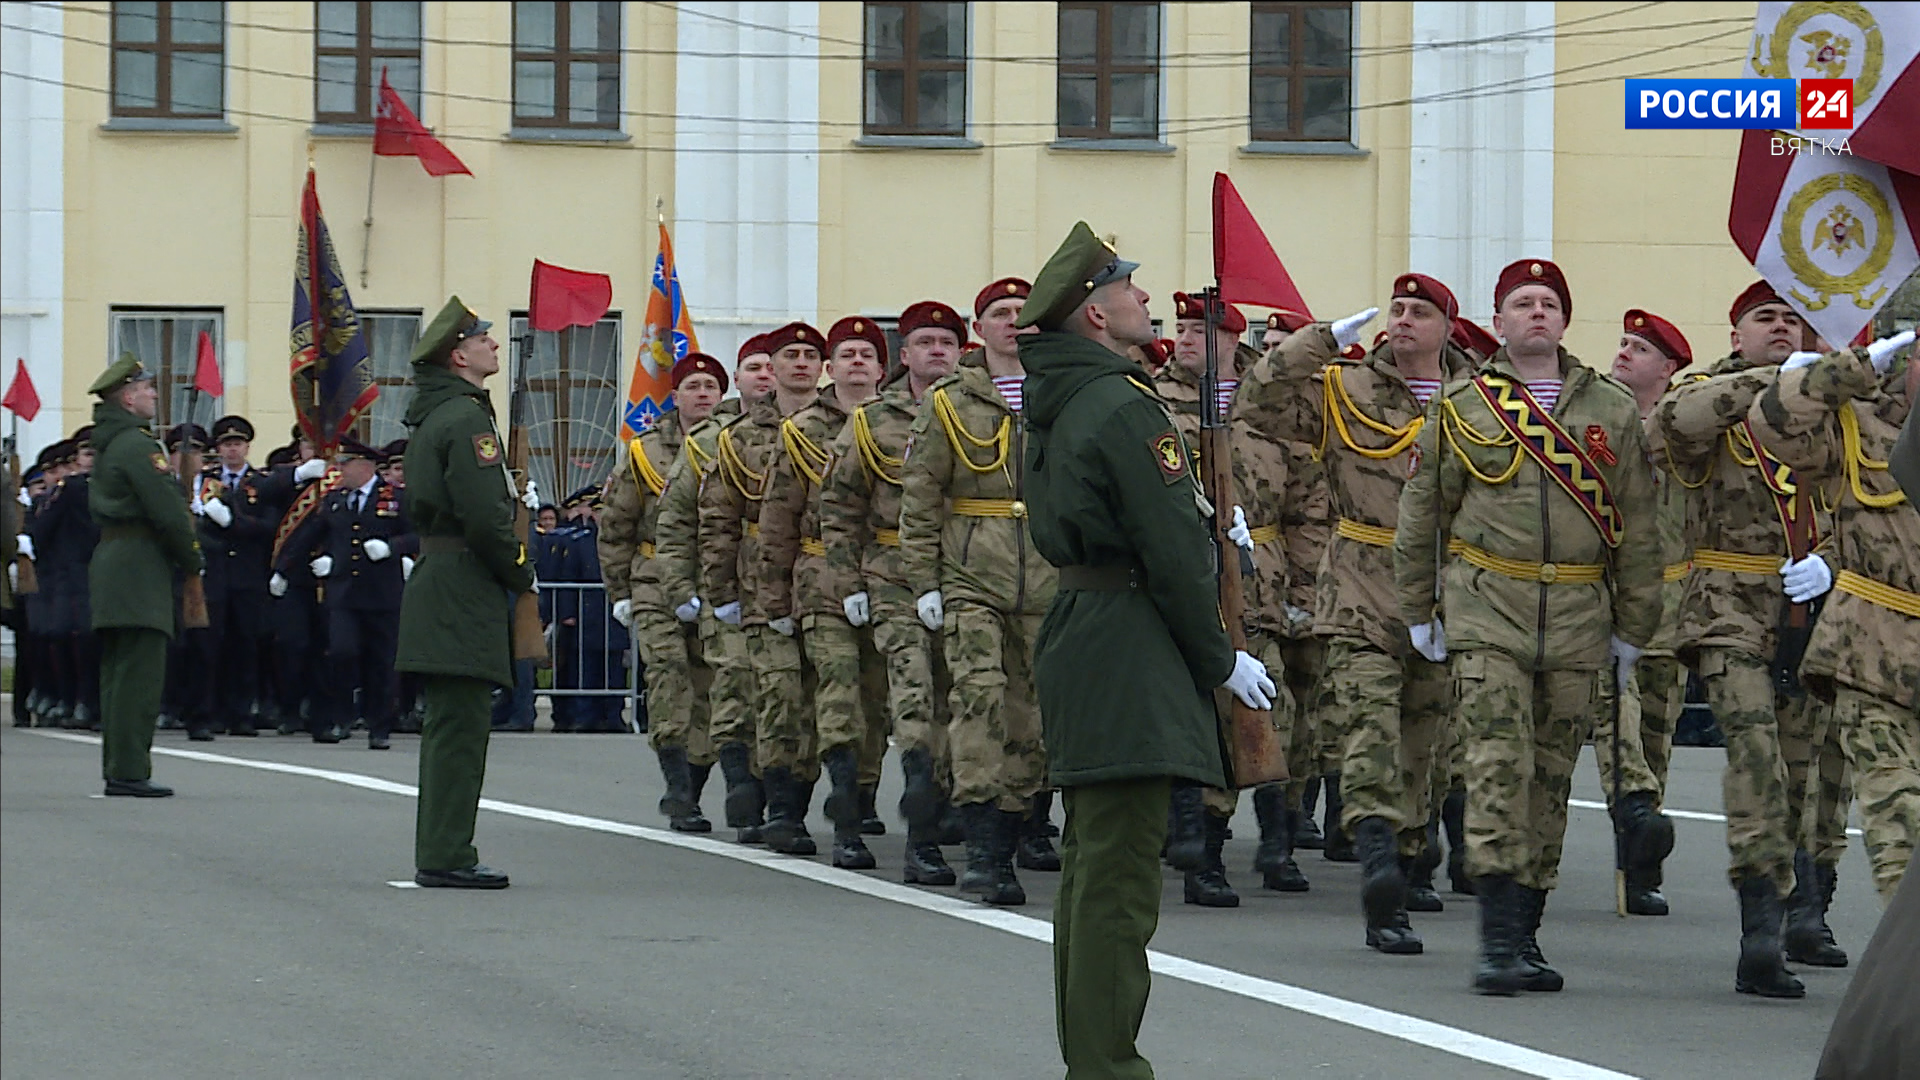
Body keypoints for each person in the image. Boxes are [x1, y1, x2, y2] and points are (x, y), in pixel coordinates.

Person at [1019, 221, 1275, 1078]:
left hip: (1089, 633)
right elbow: (1167, 552)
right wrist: (1218, 659)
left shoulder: (1066, 398)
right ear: (1094, 316)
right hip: (1131, 643)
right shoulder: (1123, 406)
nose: (1141, 298)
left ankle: (1092, 1059)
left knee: (1094, 879)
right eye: (1127, 288)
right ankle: (1107, 1069)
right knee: (1119, 891)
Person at [1396, 258, 1661, 995]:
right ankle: (1497, 940)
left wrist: (1635, 626)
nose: (1537, 313)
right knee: (1494, 768)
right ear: (1501, 320)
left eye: (1549, 302)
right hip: (1489, 608)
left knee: (1549, 780)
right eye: (1522, 303)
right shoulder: (1463, 405)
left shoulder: (1608, 407)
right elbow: (1424, 515)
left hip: (1580, 617)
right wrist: (1419, 609)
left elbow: (1640, 525)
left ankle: (1528, 932)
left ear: (1565, 321)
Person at [1239, 273, 1480, 952]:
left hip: (1445, 589)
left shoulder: (1479, 400)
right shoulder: (1345, 390)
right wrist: (1319, 343)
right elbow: (1255, 403)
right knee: (1367, 731)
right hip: (1360, 587)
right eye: (1397, 309)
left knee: (1425, 747)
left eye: (1420, 312)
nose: (1403, 320)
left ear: (1447, 327)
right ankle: (1378, 864)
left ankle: (1404, 871)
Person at [1647, 280, 1850, 995]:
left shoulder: (1836, 410)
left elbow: (1871, 498)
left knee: (1808, 774)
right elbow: (1673, 421)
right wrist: (1781, 379)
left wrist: (1834, 559)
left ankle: (1803, 911)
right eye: (1766, 319)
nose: (1783, 328)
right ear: (1737, 334)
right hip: (1728, 608)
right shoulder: (1714, 391)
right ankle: (1758, 933)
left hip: (1814, 613)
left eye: (1795, 320)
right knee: (1758, 757)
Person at [1749, 329, 1917, 904]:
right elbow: (1773, 421)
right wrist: (1844, 370)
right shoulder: (1860, 426)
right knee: (1901, 829)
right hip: (1876, 659)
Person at [901, 293, 1058, 906]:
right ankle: (984, 850)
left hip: (1047, 574)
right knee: (978, 701)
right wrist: (925, 583)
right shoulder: (950, 402)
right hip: (971, 577)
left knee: (1034, 713)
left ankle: (1017, 826)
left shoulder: (1059, 394)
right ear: (979, 329)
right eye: (1001, 314)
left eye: (1025, 313)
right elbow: (920, 498)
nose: (1013, 323)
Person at [1155, 291, 1304, 907]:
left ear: (1232, 342)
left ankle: (1278, 842)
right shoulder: (1152, 402)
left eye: (1203, 329)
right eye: (1183, 328)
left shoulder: (1268, 411)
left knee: (1277, 712)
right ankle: (1203, 852)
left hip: (1260, 585)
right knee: (1203, 719)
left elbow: (1307, 505)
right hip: (1186, 585)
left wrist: (1304, 583)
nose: (1188, 337)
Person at [819, 299, 974, 883]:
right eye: (925, 342)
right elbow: (838, 507)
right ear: (903, 356)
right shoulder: (870, 422)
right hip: (892, 576)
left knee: (960, 703)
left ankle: (958, 816)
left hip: (965, 575)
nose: (937, 351)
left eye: (948, 342)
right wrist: (849, 581)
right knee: (911, 699)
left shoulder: (981, 413)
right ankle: (915, 841)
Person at [395, 297, 536, 889]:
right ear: (459, 354)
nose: (494, 345)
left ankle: (444, 848)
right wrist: (519, 566)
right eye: (484, 338)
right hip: (462, 585)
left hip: (444, 581)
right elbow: (482, 516)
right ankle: (448, 853)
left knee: (451, 728)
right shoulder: (466, 420)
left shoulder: (440, 416)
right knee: (458, 730)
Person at [757, 316, 888, 868]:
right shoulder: (802, 429)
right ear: (831, 369)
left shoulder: (908, 420)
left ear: (883, 367)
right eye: (848, 354)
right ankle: (826, 816)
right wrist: (772, 597)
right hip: (820, 577)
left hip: (887, 574)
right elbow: (777, 517)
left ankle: (860, 795)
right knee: (832, 693)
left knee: (875, 699)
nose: (857, 362)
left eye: (868, 353)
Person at [701, 328, 822, 850]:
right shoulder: (740, 435)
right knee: (774, 692)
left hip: (824, 576)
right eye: (788, 356)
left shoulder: (844, 427)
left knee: (822, 697)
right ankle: (772, 803)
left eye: (810, 355)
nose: (800, 364)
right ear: (770, 367)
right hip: (758, 579)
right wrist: (720, 588)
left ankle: (809, 798)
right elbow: (717, 518)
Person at [601, 352, 730, 831]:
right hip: (654, 576)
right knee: (669, 673)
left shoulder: (734, 443)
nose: (702, 395)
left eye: (710, 387)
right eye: (692, 386)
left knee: (711, 685)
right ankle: (677, 786)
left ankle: (693, 786)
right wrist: (619, 591)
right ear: (676, 397)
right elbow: (616, 527)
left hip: (714, 576)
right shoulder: (645, 452)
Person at [1599, 310, 1697, 915]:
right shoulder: (1597, 423)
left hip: (1668, 601)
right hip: (1603, 599)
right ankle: (1633, 811)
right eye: (1624, 343)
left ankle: (1641, 870)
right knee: (1618, 717)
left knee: (1657, 734)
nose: (1624, 354)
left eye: (1640, 348)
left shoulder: (1687, 431)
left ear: (1668, 368)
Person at [658, 337, 771, 842]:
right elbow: (677, 519)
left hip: (791, 584)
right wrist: (681, 586)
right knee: (731, 686)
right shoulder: (709, 439)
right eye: (754, 367)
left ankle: (778, 795)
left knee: (781, 693)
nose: (765, 376)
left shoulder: (812, 431)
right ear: (739, 381)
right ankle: (736, 789)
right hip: (723, 581)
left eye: (773, 366)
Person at [87, 354, 205, 796]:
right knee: (139, 675)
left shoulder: (110, 443)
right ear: (128, 396)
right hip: (139, 565)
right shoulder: (138, 446)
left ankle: (120, 766)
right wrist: (192, 558)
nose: (155, 395)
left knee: (119, 675)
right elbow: (168, 513)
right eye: (148, 389)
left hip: (115, 562)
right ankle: (130, 770)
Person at [275, 438, 417, 748]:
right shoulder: (336, 500)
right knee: (340, 652)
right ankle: (339, 718)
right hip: (345, 595)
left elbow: (419, 534)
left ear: (364, 467)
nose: (339, 470)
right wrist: (283, 569)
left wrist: (392, 548)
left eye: (345, 464)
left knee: (382, 662)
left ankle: (379, 727)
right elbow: (308, 535)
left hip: (382, 595)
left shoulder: (395, 498)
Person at [200, 415, 273, 738]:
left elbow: (268, 526)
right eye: (227, 445)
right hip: (215, 574)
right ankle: (210, 712)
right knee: (211, 646)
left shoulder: (261, 483)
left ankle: (241, 713)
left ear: (246, 447)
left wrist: (233, 522)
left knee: (245, 646)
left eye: (238, 444)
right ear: (218, 449)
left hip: (247, 576)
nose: (233, 450)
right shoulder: (204, 482)